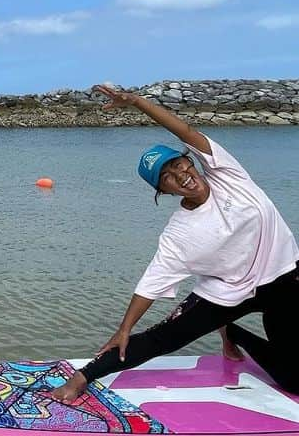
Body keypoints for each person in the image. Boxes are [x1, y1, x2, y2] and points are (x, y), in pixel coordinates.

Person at [51, 83, 299, 404]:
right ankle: (84, 375)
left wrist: (137, 102)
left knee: (295, 377)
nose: (180, 175)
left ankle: (234, 333)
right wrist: (124, 328)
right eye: (167, 176)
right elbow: (151, 284)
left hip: (284, 279)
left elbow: (184, 130)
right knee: (164, 339)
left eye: (179, 164)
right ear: (164, 191)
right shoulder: (178, 234)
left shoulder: (227, 172)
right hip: (227, 293)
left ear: (191, 162)